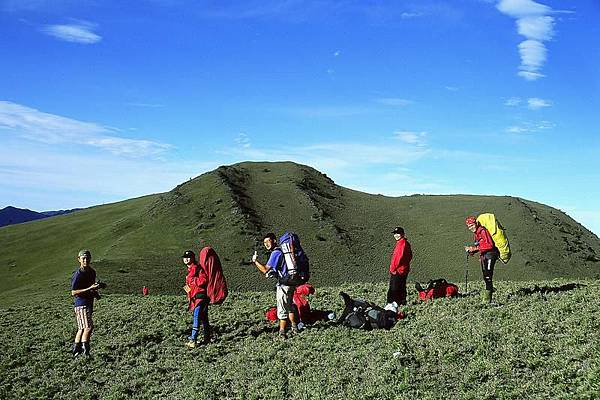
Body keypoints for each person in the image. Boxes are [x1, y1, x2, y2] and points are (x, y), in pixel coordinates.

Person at [252, 233, 299, 339]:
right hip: (291, 282)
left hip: (284, 284)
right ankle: (294, 327)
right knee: (289, 306)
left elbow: (265, 269)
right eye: (264, 243)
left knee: (282, 308)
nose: (266, 244)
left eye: (268, 241)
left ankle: (282, 332)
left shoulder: (276, 253)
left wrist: (255, 261)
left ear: (274, 240)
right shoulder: (283, 251)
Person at [70, 249, 101, 357]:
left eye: (87, 258)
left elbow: (91, 286)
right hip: (81, 304)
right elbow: (73, 292)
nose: (85, 260)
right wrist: (89, 288)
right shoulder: (77, 275)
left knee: (82, 328)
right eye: (83, 258)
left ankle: (76, 350)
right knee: (88, 327)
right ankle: (86, 352)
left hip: (88, 302)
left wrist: (96, 291)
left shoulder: (92, 272)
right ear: (79, 260)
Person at [464, 216, 500, 303]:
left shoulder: (483, 231)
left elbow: (490, 245)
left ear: (476, 224)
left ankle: (487, 298)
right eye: (469, 226)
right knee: (485, 276)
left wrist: (474, 249)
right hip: (484, 255)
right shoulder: (476, 234)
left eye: (472, 225)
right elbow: (479, 246)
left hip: (491, 254)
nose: (471, 228)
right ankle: (489, 292)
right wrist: (471, 251)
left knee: (488, 276)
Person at [182, 250, 211, 348]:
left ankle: (193, 340)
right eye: (185, 257)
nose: (186, 259)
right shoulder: (190, 270)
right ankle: (207, 338)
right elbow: (189, 286)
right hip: (196, 297)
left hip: (200, 296)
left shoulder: (197, 268)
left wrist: (193, 281)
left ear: (193, 258)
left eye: (189, 257)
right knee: (203, 318)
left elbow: (204, 280)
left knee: (196, 316)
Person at [386, 227, 413, 308]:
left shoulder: (401, 244)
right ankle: (402, 302)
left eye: (398, 233)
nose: (396, 235)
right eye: (395, 233)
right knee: (401, 286)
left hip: (398, 270)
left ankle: (391, 305)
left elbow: (398, 258)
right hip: (404, 269)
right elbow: (410, 256)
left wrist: (393, 269)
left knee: (394, 289)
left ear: (403, 234)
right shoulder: (406, 243)